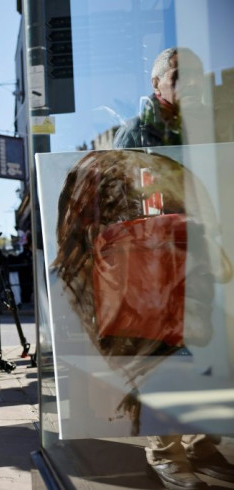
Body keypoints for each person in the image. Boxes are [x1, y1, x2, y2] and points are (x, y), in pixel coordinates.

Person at [111, 47, 234, 490]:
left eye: (198, 75)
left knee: (209, 349)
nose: (193, 84)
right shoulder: (136, 134)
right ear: (157, 84)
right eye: (181, 76)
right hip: (158, 261)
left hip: (204, 253)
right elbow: (126, 201)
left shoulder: (208, 129)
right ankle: (166, 449)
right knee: (165, 356)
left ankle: (203, 442)